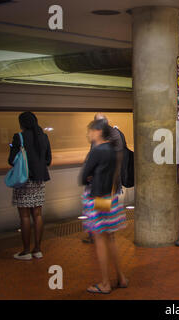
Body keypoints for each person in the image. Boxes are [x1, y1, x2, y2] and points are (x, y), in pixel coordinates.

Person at [81, 120, 127, 294]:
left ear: (98, 131)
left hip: (97, 197)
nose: (89, 135)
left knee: (100, 239)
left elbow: (83, 176)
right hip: (110, 195)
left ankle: (106, 283)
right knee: (110, 238)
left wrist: (88, 177)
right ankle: (121, 277)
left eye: (90, 131)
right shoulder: (113, 150)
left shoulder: (97, 150)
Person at [9, 112, 52, 260]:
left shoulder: (18, 137)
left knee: (25, 216)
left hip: (23, 180)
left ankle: (26, 251)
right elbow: (48, 160)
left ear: (22, 123)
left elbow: (11, 160)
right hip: (39, 181)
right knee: (38, 214)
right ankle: (38, 250)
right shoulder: (44, 137)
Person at [82, 113, 125, 244]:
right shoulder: (111, 141)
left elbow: (87, 171)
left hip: (101, 188)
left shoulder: (102, 145)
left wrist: (88, 175)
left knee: (101, 225)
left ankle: (99, 237)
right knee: (106, 224)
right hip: (108, 186)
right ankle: (104, 237)